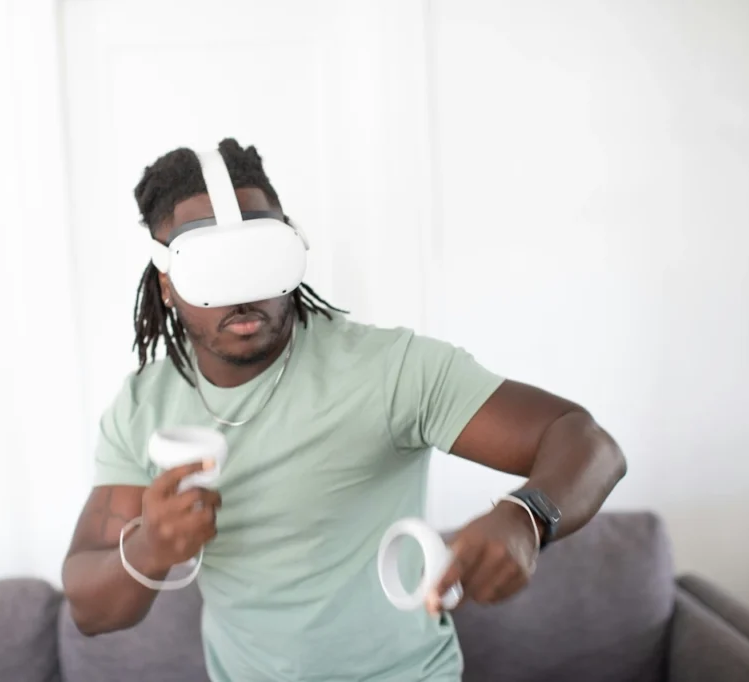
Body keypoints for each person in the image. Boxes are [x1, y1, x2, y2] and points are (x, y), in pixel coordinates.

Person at [61, 138, 627, 681]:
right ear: (166, 284)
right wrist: (150, 548)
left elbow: (588, 442)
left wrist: (527, 517)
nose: (242, 295)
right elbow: (89, 610)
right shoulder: (142, 408)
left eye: (260, 259)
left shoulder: (389, 370)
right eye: (212, 270)